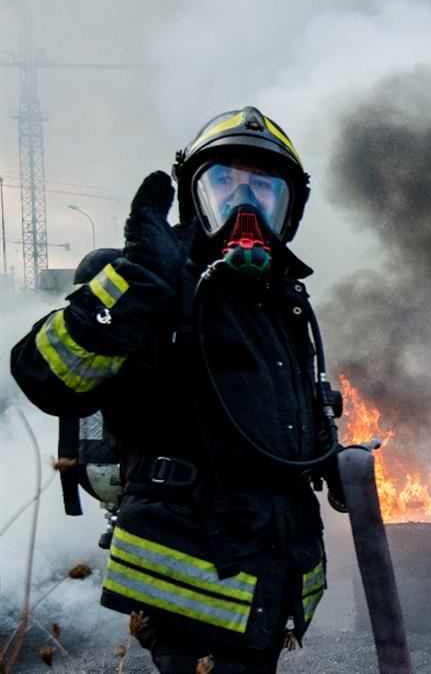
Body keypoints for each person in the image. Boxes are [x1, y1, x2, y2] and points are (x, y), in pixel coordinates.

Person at [11, 107, 336, 673]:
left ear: (291, 210)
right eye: (224, 187)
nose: (244, 208)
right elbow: (46, 374)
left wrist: (325, 452)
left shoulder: (281, 307)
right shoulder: (156, 291)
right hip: (195, 590)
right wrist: (136, 284)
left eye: (263, 190)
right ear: (193, 198)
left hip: (265, 584)